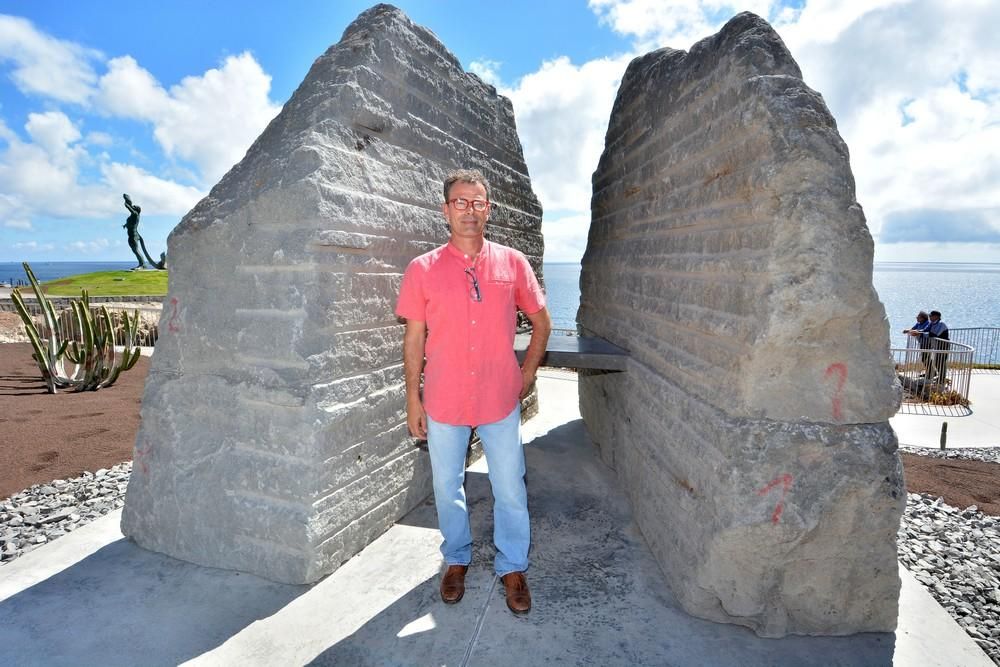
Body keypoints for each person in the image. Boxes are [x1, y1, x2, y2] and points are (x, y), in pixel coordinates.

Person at [395, 168, 551, 615]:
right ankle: (457, 558)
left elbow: (541, 322)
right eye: (460, 202)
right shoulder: (422, 269)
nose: (469, 210)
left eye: (477, 202)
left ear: (489, 210)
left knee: (510, 489)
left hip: (499, 398)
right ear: (446, 210)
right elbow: (414, 339)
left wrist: (528, 373)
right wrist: (412, 397)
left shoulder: (512, 263)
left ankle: (513, 566)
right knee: (447, 488)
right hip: (443, 399)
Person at [924, 310, 950, 384]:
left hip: (943, 346)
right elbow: (925, 330)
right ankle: (940, 377)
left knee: (941, 362)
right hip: (937, 345)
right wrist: (918, 332)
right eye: (929, 316)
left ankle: (942, 379)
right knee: (937, 362)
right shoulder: (931, 324)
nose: (930, 317)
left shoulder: (942, 324)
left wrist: (926, 334)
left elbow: (936, 334)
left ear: (937, 317)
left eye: (931, 316)